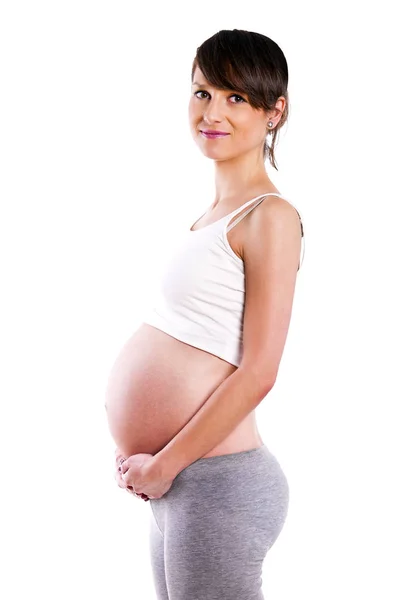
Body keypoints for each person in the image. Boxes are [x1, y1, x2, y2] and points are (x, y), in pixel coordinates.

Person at [112, 28, 305, 600]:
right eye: (201, 92)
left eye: (235, 97)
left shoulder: (270, 216)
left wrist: (164, 464)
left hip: (217, 482)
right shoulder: (212, 216)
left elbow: (260, 371)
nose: (211, 111)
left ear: (275, 112)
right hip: (180, 481)